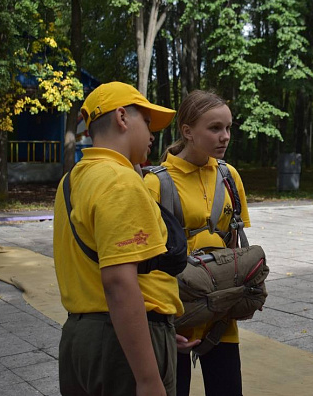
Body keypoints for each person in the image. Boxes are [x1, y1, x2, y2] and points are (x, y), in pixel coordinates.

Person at [53, 81, 184, 396]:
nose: (153, 135)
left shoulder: (71, 180)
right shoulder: (121, 181)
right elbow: (119, 283)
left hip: (80, 339)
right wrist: (148, 376)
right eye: (148, 122)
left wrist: (161, 327)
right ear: (123, 118)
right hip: (120, 347)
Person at [144, 90, 251, 396]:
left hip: (221, 318)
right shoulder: (155, 183)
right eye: (215, 128)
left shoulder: (230, 177)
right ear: (187, 131)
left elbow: (235, 244)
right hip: (176, 318)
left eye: (228, 128)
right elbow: (144, 263)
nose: (225, 137)